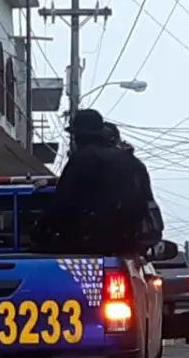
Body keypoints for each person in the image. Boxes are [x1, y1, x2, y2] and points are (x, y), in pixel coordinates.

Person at [34, 109, 159, 255]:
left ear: (79, 136)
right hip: (129, 244)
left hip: (90, 243)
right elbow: (146, 203)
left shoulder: (83, 158)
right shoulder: (132, 162)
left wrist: (41, 229)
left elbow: (63, 200)